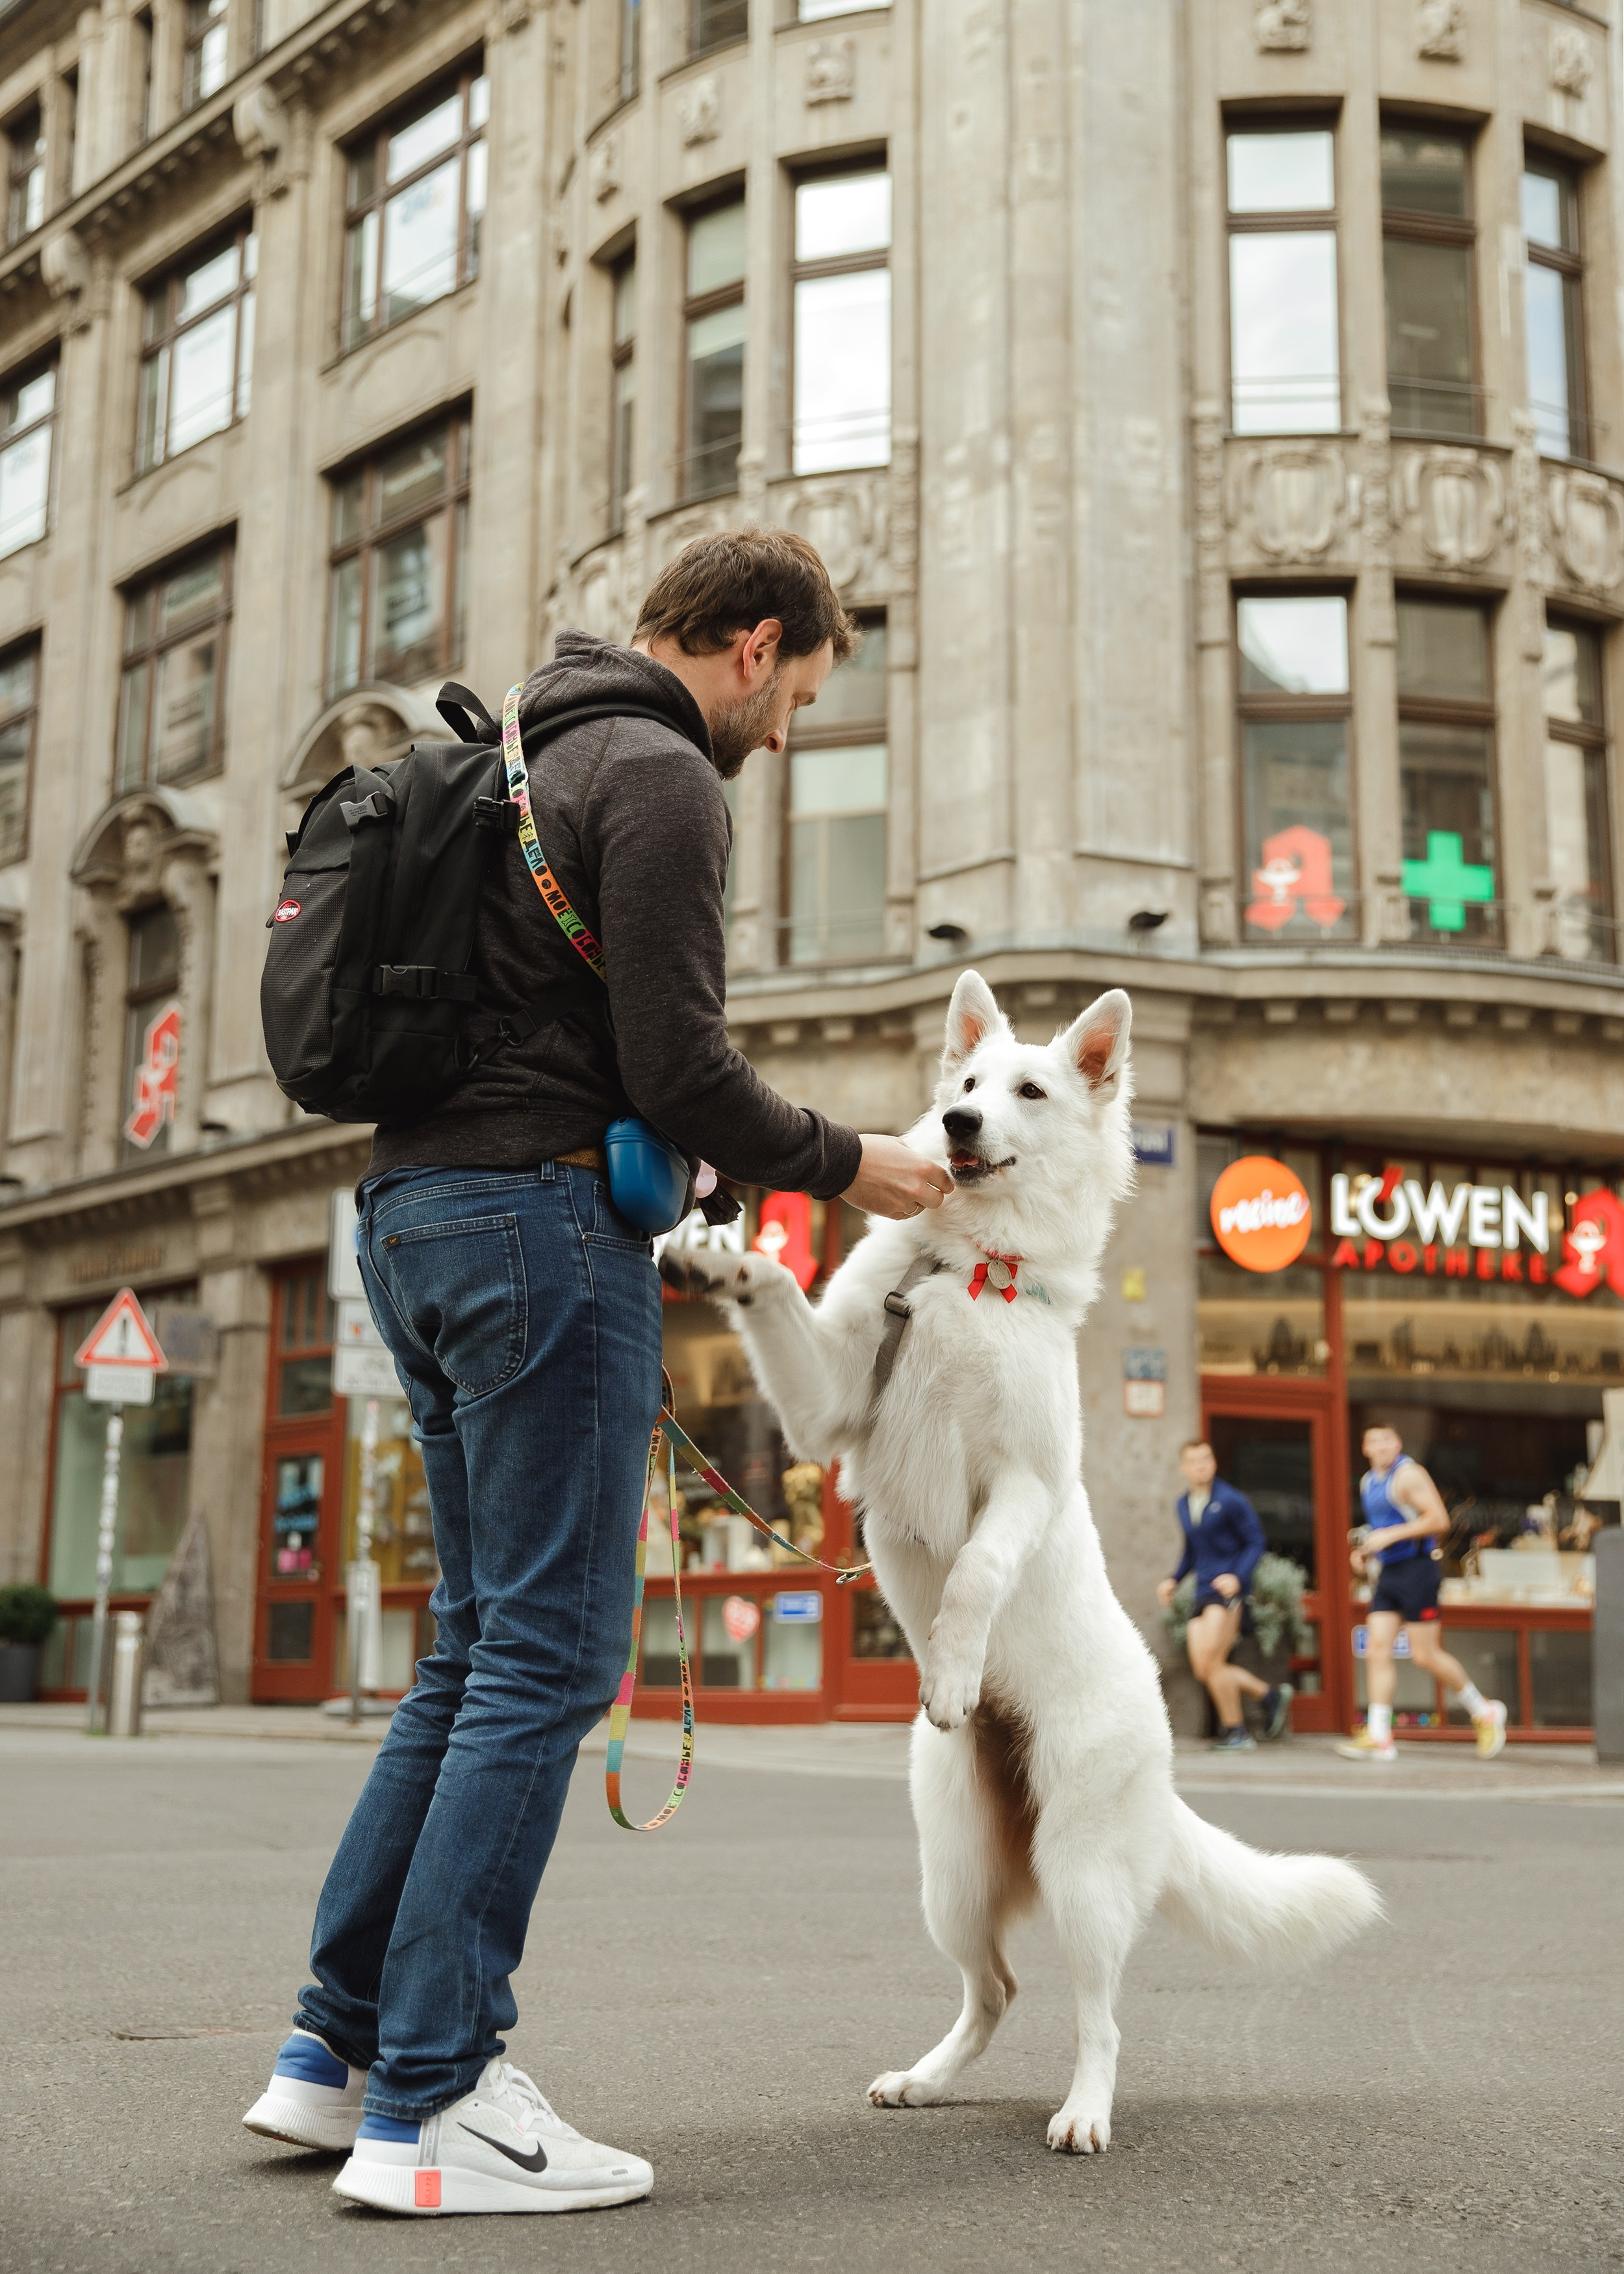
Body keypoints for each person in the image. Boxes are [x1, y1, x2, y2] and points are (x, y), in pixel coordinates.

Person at [242, 529, 955, 2217]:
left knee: (472, 1650)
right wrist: (848, 1160)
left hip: (412, 1217)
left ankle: (334, 2051)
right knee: (547, 1656)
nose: (785, 729)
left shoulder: (520, 751)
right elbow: (679, 1065)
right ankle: (439, 2099)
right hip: (539, 1224)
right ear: (754, 645)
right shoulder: (659, 772)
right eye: (797, 694)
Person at [1336, 1424, 1506, 1763]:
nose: (1382, 1446)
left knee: (1424, 1655)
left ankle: (1484, 1711)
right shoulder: (1368, 1482)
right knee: (1377, 1649)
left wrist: (1389, 1537)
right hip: (1389, 1573)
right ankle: (1379, 1735)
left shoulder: (1409, 1475)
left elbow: (1439, 1520)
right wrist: (1367, 1549)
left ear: (1398, 1443)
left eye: (1387, 1440)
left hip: (1418, 1570)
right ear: (1365, 1448)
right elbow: (1386, 1526)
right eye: (1374, 1441)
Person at [1156, 1439, 1292, 1753]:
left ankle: (1236, 1731)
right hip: (1201, 1592)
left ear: (1214, 1463)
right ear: (1184, 1468)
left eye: (1206, 1458)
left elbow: (1255, 1542)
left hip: (1226, 1592)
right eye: (1194, 1460)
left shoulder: (1231, 1500)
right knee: (1203, 1668)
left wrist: (1237, 1576)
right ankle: (1268, 1695)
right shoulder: (1183, 1504)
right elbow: (1192, 1550)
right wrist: (1173, 1579)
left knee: (1213, 1662)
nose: (1201, 1465)